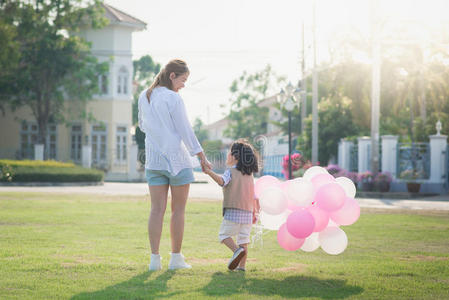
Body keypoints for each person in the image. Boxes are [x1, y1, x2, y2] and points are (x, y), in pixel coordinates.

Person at [138, 59, 212, 271]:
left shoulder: (144, 95)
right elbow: (185, 130)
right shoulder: (173, 99)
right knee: (178, 210)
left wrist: (159, 134)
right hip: (178, 161)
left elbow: (142, 125)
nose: (183, 85)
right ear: (172, 76)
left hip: (153, 160)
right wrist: (201, 156)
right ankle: (176, 259)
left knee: (156, 210)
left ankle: (154, 260)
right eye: (183, 79)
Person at [204, 139, 260, 271]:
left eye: (229, 153)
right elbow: (254, 196)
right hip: (248, 213)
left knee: (223, 235)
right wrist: (255, 212)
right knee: (243, 240)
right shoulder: (249, 175)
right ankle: (242, 267)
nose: (227, 155)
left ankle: (236, 251)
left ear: (235, 157)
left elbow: (222, 181)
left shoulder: (230, 172)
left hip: (234, 211)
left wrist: (209, 172)